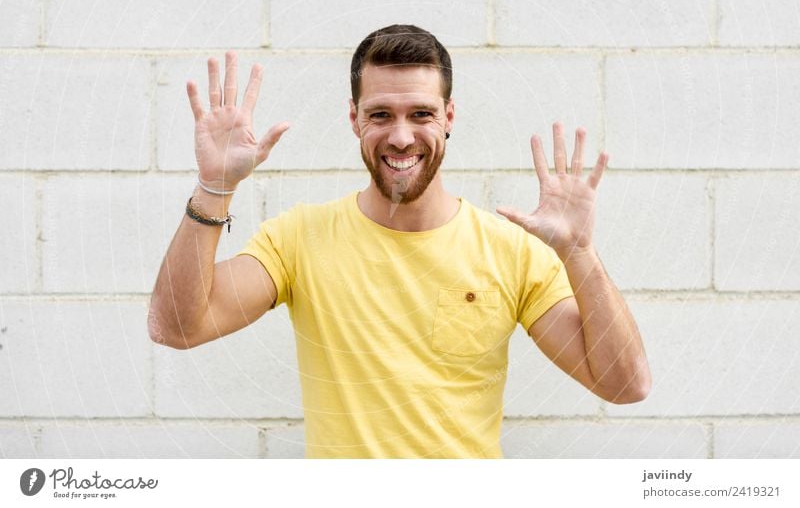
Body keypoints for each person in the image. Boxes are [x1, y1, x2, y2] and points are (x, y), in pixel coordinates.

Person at [148, 24, 651, 458]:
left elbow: (625, 386)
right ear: (354, 119)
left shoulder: (510, 250)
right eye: (381, 115)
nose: (402, 137)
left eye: (422, 114)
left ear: (449, 117)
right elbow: (175, 327)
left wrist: (579, 253)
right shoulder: (299, 238)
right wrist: (216, 187)